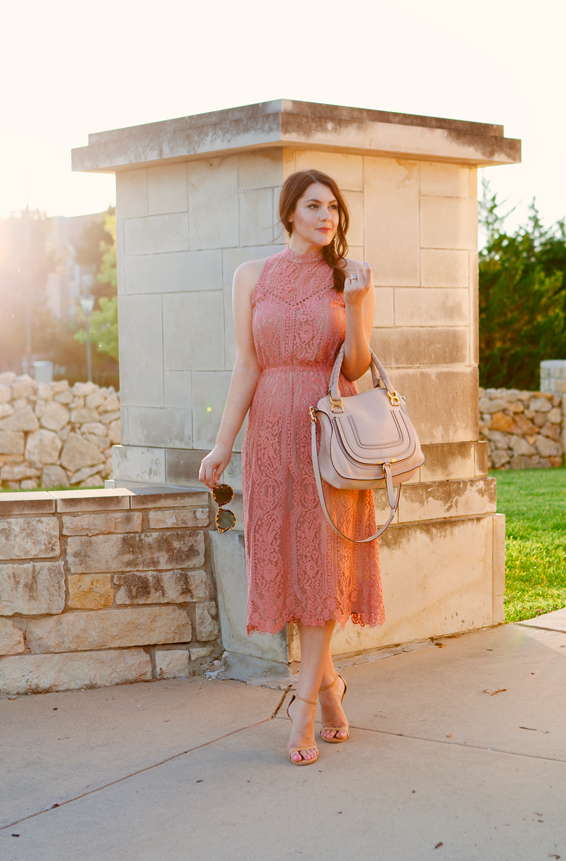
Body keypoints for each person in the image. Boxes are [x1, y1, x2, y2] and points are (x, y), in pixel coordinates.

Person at [199, 169, 385, 766]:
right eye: (313, 205)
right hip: (271, 438)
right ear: (290, 212)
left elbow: (356, 363)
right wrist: (222, 443)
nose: (326, 216)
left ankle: (301, 707)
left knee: (323, 567)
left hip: (329, 436)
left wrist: (355, 305)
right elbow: (247, 364)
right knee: (291, 565)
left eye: (333, 207)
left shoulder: (350, 277)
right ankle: (330, 690)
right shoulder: (250, 276)